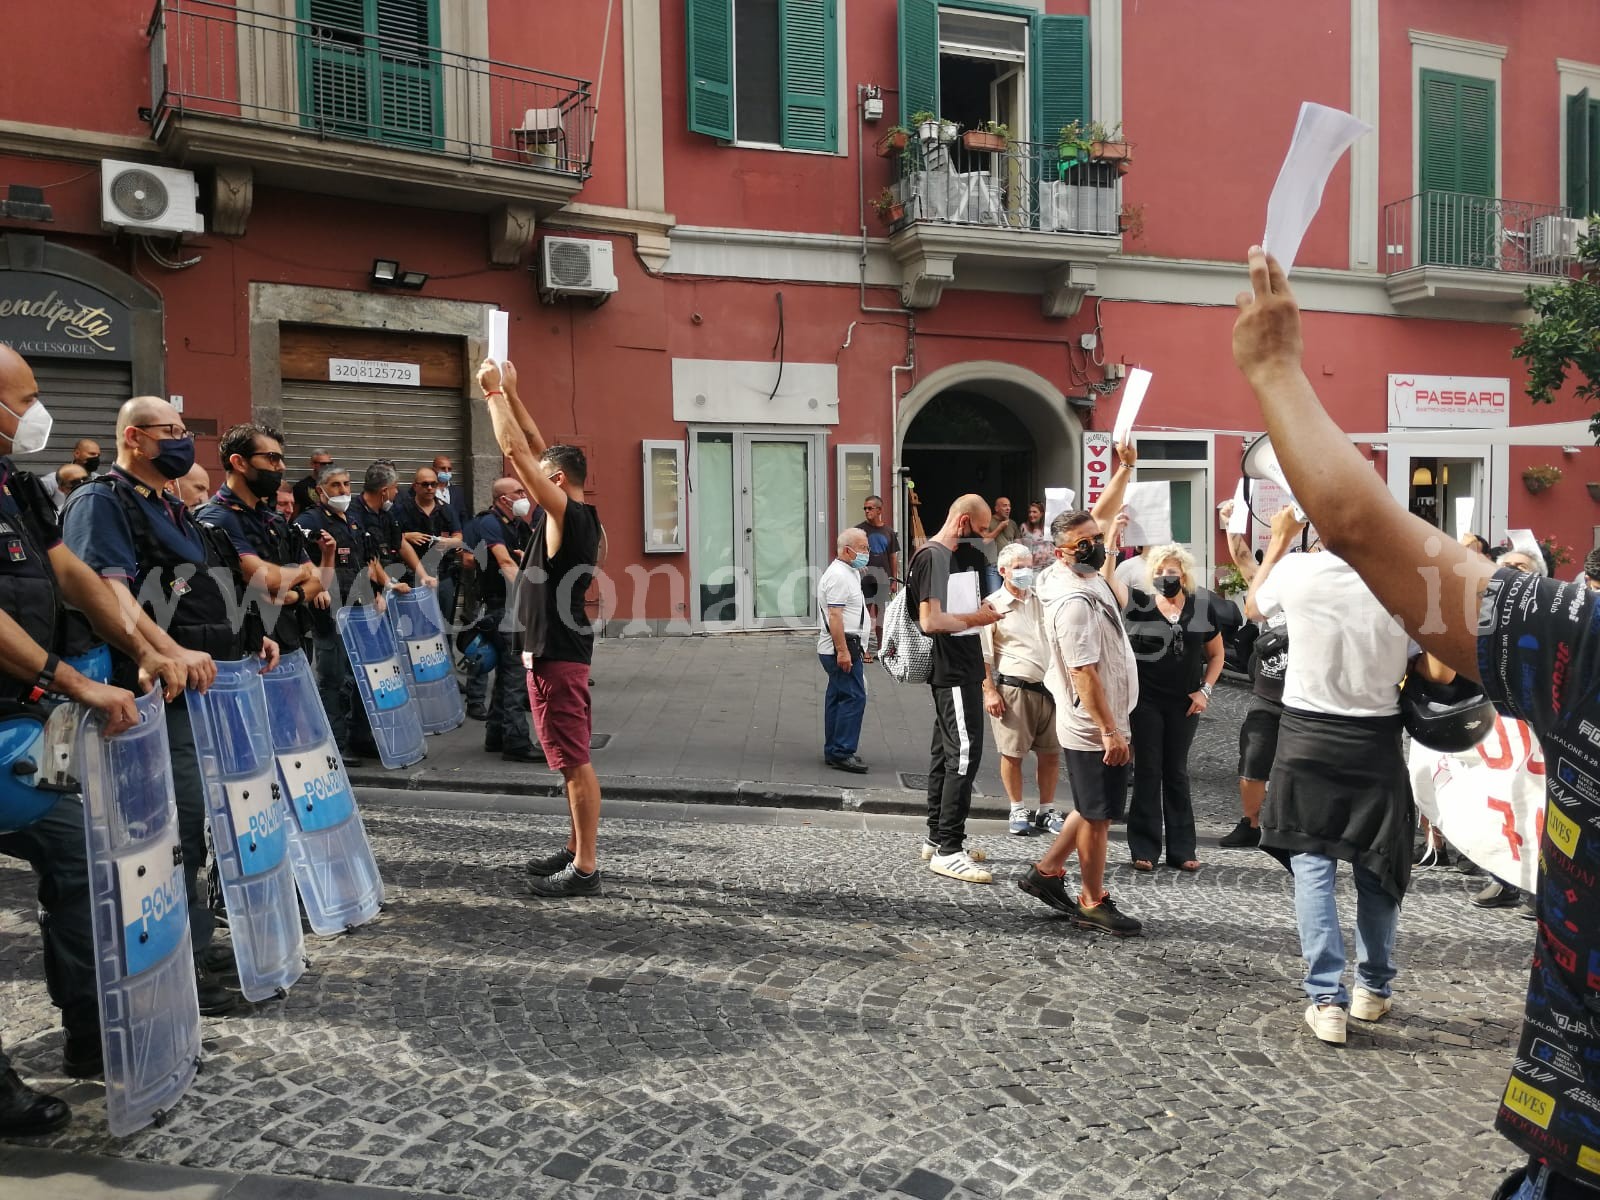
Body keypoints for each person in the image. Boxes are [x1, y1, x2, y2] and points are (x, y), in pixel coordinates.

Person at [1229, 250, 1600, 1196]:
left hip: (1312, 733)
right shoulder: (1411, 601)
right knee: (1381, 866)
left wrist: (1275, 372)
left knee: (1314, 862)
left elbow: (1288, 578)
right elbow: (1441, 665)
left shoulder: (1581, 640)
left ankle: (1325, 997)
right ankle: (1376, 984)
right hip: (1374, 738)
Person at [0, 347, 181, 1128]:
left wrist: (148, 650)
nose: (39, 412)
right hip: (33, 700)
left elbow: (72, 574)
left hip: (18, 725)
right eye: (26, 397)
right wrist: (73, 681)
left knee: (79, 856)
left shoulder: (17, 488)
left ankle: (89, 1031)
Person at [62, 395, 286, 1018]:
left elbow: (198, 594)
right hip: (147, 696)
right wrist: (159, 652)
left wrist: (248, 635)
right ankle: (171, 963)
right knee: (172, 824)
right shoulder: (102, 502)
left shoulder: (168, 506)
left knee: (195, 821)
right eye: (173, 431)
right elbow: (106, 594)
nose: (185, 439)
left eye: (187, 429)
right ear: (134, 438)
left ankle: (196, 941)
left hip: (199, 690)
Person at [478, 358, 605, 899]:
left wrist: (490, 395)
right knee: (565, 760)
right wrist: (512, 388)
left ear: (556, 482)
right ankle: (576, 848)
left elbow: (518, 454)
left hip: (556, 653)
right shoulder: (576, 510)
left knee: (574, 762)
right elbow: (532, 444)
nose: (527, 488)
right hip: (556, 649)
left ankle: (586, 868)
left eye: (539, 480)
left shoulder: (568, 518)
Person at [1017, 442, 1143, 937]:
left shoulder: (1070, 570)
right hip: (1095, 722)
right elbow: (1083, 673)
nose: (1098, 542)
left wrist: (1125, 467)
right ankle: (1092, 900)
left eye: (1096, 536)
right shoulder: (1070, 600)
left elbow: (1101, 512)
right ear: (1065, 551)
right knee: (1098, 817)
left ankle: (1046, 872)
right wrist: (1110, 730)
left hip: (1106, 714)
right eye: (1088, 540)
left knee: (1094, 807)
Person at [906, 493, 1005, 884]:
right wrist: (978, 616)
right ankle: (949, 848)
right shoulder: (934, 557)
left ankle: (937, 837)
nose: (984, 538)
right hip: (951, 670)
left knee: (945, 753)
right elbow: (931, 621)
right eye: (981, 530)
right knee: (963, 755)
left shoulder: (957, 557)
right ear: (963, 523)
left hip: (960, 667)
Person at [1114, 539, 1223, 873]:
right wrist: (1111, 541)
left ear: (1184, 574)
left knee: (1176, 771)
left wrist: (1204, 690)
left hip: (1185, 702)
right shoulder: (1140, 604)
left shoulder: (1201, 605)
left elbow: (1216, 655)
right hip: (1146, 700)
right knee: (1148, 770)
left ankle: (1182, 849)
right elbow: (1107, 578)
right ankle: (1144, 848)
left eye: (1170, 571)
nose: (1164, 576)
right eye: (1158, 571)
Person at [294, 464, 400, 766]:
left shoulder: (353, 520)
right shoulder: (308, 521)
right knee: (333, 680)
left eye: (346, 484)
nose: (343, 490)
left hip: (360, 610)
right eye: (336, 485)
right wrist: (316, 586)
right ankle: (334, 746)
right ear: (320, 490)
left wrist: (378, 592)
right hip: (331, 613)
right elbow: (299, 561)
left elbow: (365, 563)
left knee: (360, 677)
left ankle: (360, 739)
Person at [196, 423, 323, 661]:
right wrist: (298, 571)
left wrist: (295, 595)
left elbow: (318, 577)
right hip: (250, 652)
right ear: (239, 462)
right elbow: (265, 578)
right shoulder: (216, 517)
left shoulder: (273, 518)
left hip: (289, 643)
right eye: (272, 458)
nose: (281, 467)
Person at [980, 542, 1062, 837]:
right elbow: (983, 657)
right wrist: (989, 691)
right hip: (1014, 690)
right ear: (1002, 571)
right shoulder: (992, 605)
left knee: (1051, 753)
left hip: (1051, 689)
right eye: (1018, 567)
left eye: (1029, 566)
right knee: (1013, 753)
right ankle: (1017, 807)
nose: (1025, 572)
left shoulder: (1044, 600)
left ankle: (1047, 809)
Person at [464, 477, 540, 762]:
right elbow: (505, 562)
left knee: (508, 674)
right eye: (518, 492)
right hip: (503, 609)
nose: (524, 495)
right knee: (516, 677)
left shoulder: (518, 525)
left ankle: (496, 735)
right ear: (502, 499)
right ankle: (517, 742)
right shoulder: (490, 524)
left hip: (509, 609)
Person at [817, 527, 871, 774]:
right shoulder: (839, 576)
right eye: (863, 548)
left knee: (838, 696)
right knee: (853, 696)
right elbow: (835, 616)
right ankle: (841, 751)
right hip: (841, 647)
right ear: (847, 550)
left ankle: (835, 749)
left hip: (846, 645)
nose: (867, 552)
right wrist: (842, 651)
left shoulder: (848, 571)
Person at [398, 465, 464, 628]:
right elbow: (390, 537)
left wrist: (449, 542)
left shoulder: (446, 509)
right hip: (412, 577)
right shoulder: (402, 509)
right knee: (417, 626)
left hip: (443, 574)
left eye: (433, 484)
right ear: (415, 486)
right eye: (425, 484)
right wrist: (407, 536)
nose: (429, 488)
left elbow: (459, 537)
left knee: (444, 625)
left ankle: (447, 654)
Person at [856, 494, 900, 660]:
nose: (867, 511)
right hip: (865, 580)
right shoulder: (859, 531)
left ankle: (881, 649)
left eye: (870, 508)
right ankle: (864, 649)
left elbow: (893, 557)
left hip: (883, 579)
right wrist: (858, 567)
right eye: (865, 508)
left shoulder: (889, 532)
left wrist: (893, 579)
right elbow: (851, 553)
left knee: (882, 614)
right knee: (865, 615)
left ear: (879, 510)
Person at [432, 454, 471, 529]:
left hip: (455, 536)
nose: (446, 472)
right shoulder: (428, 490)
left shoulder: (458, 492)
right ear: (434, 470)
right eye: (443, 468)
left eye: (449, 469)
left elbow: (464, 517)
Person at [291, 448, 333, 515]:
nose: (327, 467)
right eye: (323, 464)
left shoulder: (335, 485)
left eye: (330, 463)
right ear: (313, 465)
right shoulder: (301, 487)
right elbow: (294, 514)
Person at [1018, 500, 1054, 570]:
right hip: (1030, 568)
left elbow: (1053, 548)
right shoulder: (1024, 527)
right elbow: (1019, 547)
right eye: (1030, 512)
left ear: (1042, 513)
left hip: (1046, 567)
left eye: (1034, 512)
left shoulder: (1047, 529)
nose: (1031, 515)